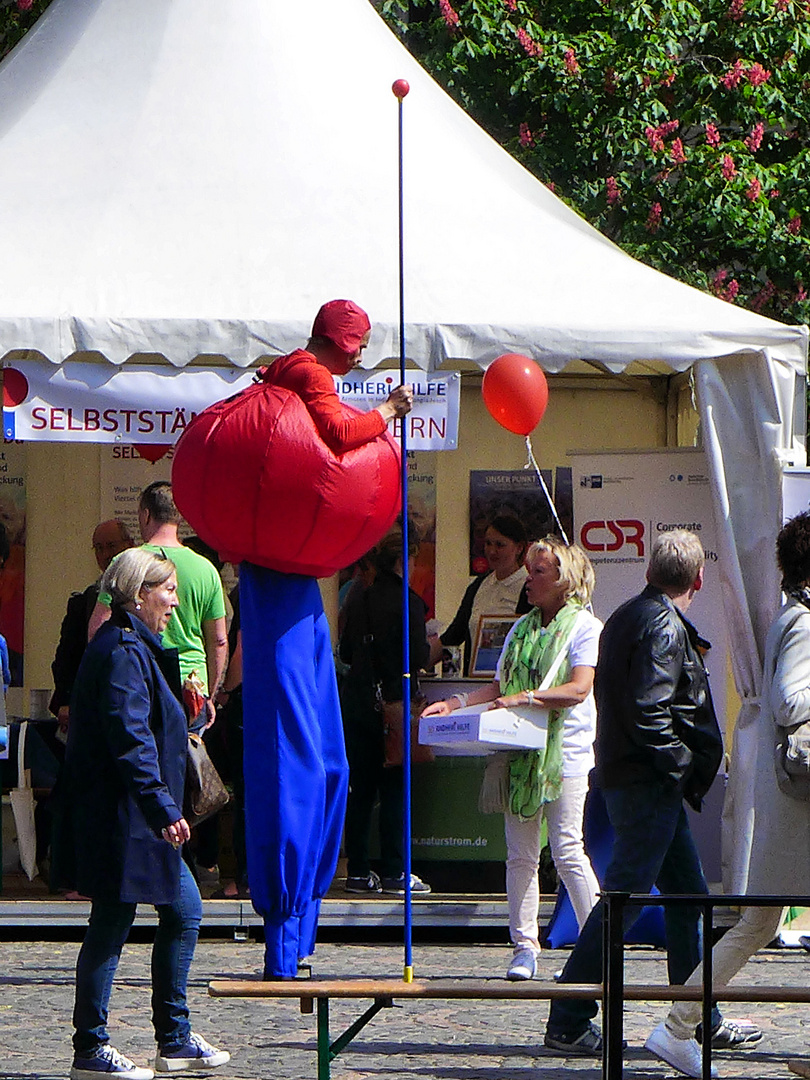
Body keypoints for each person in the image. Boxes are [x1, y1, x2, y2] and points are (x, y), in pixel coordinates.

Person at [240, 298, 414, 979]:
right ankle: (288, 940)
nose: (358, 360)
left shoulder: (295, 374)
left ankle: (297, 936)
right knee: (300, 758)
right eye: (358, 348)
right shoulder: (311, 375)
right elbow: (341, 430)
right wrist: (391, 413)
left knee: (323, 760)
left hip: (294, 572)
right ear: (342, 342)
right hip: (285, 571)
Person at [544, 529, 727, 1057]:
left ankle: (697, 1015)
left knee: (688, 897)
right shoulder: (663, 627)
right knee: (623, 903)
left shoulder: (627, 615)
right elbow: (651, 711)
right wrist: (681, 764)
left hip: (636, 780)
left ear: (649, 571)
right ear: (697, 578)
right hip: (648, 785)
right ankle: (570, 1015)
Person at [646, 513, 810, 1078]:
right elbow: (792, 701)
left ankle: (675, 1027)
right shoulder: (805, 623)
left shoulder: (794, 617)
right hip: (799, 811)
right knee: (755, 925)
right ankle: (673, 1027)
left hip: (790, 805)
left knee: (756, 926)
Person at [58, 548, 229, 1080]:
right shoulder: (122, 651)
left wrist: (184, 708)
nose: (175, 605)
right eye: (169, 591)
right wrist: (162, 806)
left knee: (180, 912)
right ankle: (92, 1048)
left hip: (138, 817)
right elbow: (129, 739)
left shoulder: (133, 649)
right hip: (125, 818)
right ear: (140, 594)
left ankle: (173, 1039)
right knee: (114, 921)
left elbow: (148, 724)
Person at [422, 537, 601, 977]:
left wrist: (528, 696)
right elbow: (498, 688)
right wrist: (457, 702)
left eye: (538, 572)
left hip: (565, 755)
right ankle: (524, 946)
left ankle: (597, 948)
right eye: (529, 570)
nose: (528, 581)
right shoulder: (520, 630)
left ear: (565, 580)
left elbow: (579, 688)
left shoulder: (585, 627)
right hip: (519, 752)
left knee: (567, 849)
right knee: (519, 854)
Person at [339, 523, 432, 896]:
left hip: (359, 703)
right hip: (395, 704)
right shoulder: (409, 601)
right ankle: (395, 871)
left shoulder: (357, 598)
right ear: (401, 558)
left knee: (360, 791)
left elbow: (345, 652)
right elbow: (418, 656)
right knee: (395, 788)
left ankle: (358, 871)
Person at [89, 483, 228, 730]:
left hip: (140, 681)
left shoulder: (128, 562)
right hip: (191, 688)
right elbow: (218, 640)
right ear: (178, 516)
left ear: (145, 515)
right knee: (184, 764)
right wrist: (210, 693)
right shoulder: (206, 569)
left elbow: (98, 627)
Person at [50, 519, 134, 734]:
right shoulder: (85, 602)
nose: (106, 555)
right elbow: (67, 657)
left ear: (129, 545)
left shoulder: (145, 597)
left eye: (112, 546)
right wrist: (66, 700)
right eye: (99, 548)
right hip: (94, 706)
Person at [429, 515, 530, 674]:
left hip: (511, 682)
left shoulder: (529, 587)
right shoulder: (478, 586)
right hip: (474, 683)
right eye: (488, 543)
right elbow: (455, 634)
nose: (491, 551)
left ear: (519, 548)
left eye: (500, 545)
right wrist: (415, 663)